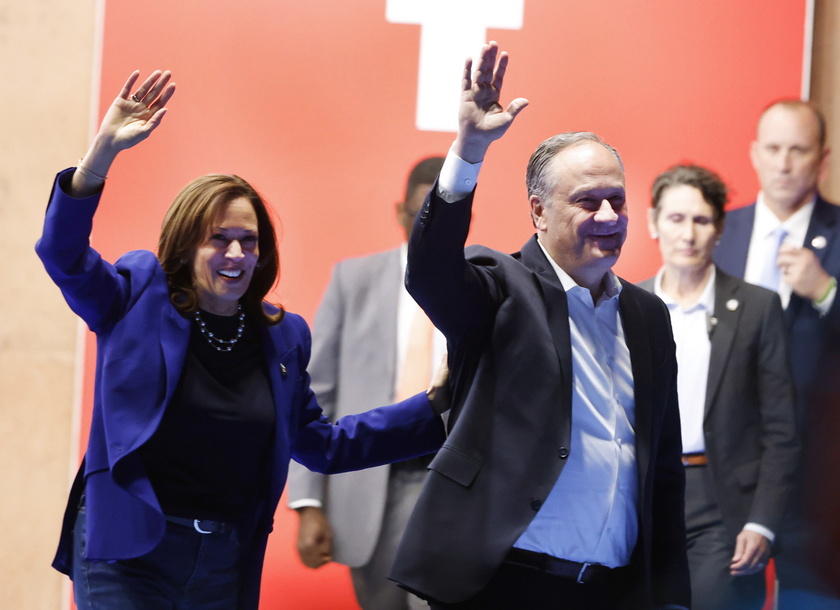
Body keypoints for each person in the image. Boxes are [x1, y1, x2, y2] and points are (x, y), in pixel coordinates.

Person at [35, 70, 448, 610]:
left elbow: (323, 444)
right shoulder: (136, 295)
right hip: (129, 554)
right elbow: (63, 257)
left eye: (248, 241)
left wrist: (437, 405)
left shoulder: (282, 335)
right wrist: (100, 158)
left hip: (223, 560)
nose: (235, 255)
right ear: (185, 247)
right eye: (219, 240)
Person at [388, 41, 690, 610]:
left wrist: (671, 596)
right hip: (506, 586)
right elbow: (428, 272)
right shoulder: (500, 288)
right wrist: (470, 149)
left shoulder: (648, 316)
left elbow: (662, 469)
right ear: (538, 212)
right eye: (587, 202)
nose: (608, 218)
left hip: (613, 591)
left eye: (617, 202)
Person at [286, 156, 446, 610]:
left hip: (453, 484)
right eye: (422, 211)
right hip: (375, 484)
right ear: (400, 212)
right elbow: (314, 395)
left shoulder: (487, 283)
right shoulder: (352, 281)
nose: (433, 224)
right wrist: (308, 502)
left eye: (450, 211)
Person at [638, 164, 799, 610]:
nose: (688, 234)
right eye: (675, 219)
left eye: (701, 220)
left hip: (722, 501)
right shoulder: (628, 305)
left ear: (720, 228)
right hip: (646, 495)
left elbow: (781, 430)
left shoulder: (757, 308)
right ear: (653, 223)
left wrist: (762, 523)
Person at [714, 100, 840, 607]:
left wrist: (828, 291)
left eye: (798, 150)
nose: (784, 163)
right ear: (754, 154)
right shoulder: (717, 233)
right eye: (773, 149)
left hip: (821, 479)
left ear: (822, 159)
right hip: (730, 471)